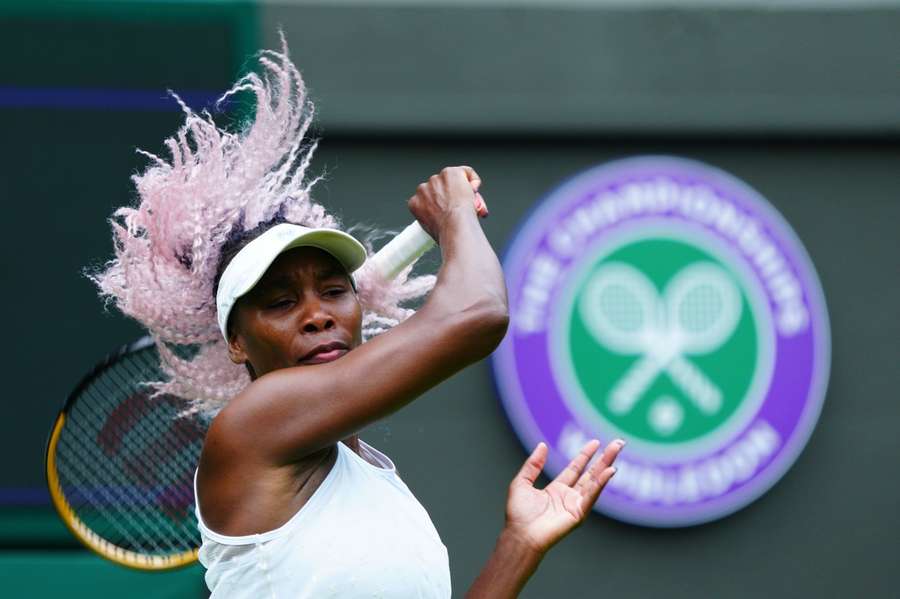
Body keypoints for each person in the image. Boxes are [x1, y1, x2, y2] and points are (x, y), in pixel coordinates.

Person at [94, 41, 623, 598]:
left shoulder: (375, 479)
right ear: (237, 343)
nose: (318, 315)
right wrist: (453, 216)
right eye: (280, 302)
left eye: (333, 291)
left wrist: (519, 546)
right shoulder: (255, 425)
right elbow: (479, 312)